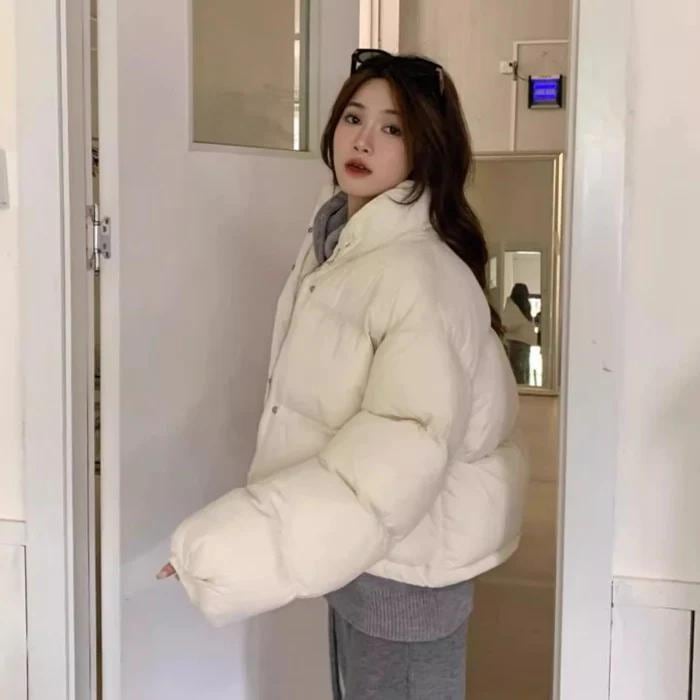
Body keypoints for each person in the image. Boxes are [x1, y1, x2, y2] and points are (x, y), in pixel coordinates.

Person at [157, 48, 526, 699]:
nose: (363, 140)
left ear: (425, 150)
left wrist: (226, 548)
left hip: (406, 581)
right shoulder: (340, 250)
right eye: (354, 117)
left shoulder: (416, 276)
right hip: (367, 560)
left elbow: (395, 457)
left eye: (392, 128)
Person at [502, 282, 538, 385]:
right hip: (522, 344)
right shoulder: (522, 308)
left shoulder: (512, 307)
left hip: (515, 343)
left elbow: (506, 324)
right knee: (523, 372)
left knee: (518, 373)